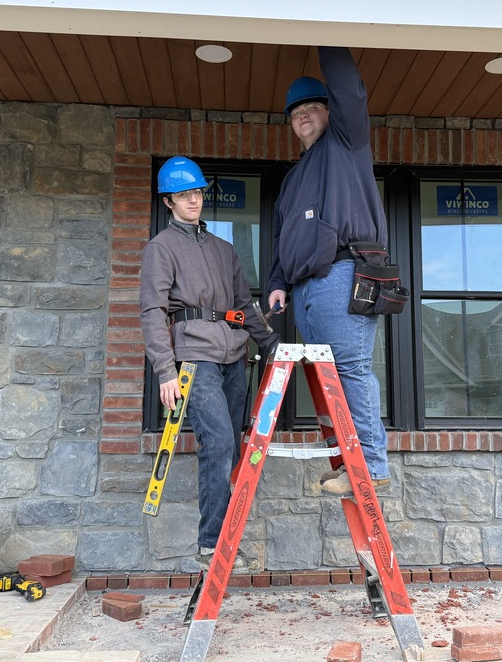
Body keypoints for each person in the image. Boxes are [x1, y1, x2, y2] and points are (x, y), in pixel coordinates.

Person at [140, 156, 279, 571]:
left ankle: (226, 540)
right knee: (217, 443)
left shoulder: (223, 250)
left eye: (197, 192)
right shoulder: (160, 248)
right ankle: (210, 545)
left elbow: (242, 306)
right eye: (184, 194)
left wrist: (270, 343)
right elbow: (152, 311)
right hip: (194, 359)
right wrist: (165, 371)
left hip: (234, 357)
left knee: (231, 446)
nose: (193, 200)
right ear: (169, 201)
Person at [266, 46, 391, 495]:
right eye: (295, 111)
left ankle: (371, 467)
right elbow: (282, 238)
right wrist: (278, 284)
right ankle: (350, 463)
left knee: (352, 369)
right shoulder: (293, 179)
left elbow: (349, 93)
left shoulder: (346, 144)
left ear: (329, 112)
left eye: (312, 106)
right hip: (304, 290)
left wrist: (327, 33)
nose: (303, 115)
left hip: (342, 276)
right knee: (332, 378)